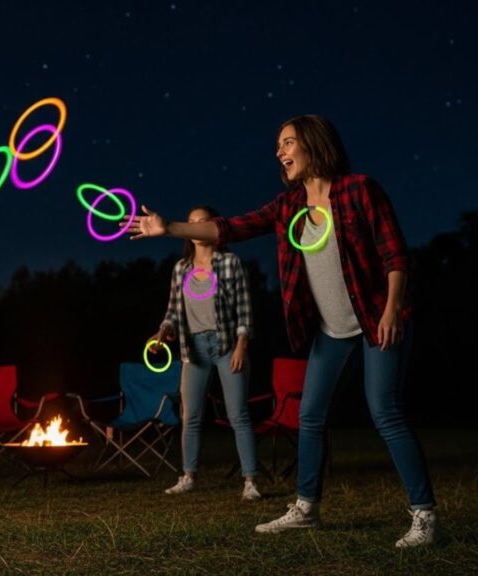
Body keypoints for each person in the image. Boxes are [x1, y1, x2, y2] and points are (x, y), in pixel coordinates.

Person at [125, 115, 438, 547]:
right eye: (278, 145)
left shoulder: (359, 190)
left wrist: (391, 309)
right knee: (310, 414)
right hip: (330, 331)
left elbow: (395, 255)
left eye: (288, 142)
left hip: (374, 317)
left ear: (313, 143)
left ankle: (424, 515)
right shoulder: (288, 206)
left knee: (384, 409)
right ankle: (306, 508)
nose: (279, 151)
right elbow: (230, 227)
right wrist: (170, 228)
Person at [151, 205, 261, 501]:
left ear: (214, 226)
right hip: (193, 349)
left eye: (202, 222)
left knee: (238, 414)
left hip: (226, 345)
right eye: (191, 223)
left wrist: (241, 345)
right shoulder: (181, 268)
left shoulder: (230, 263)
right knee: (191, 416)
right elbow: (173, 311)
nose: (196, 227)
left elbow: (244, 310)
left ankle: (250, 481)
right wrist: (163, 331)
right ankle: (188, 476)